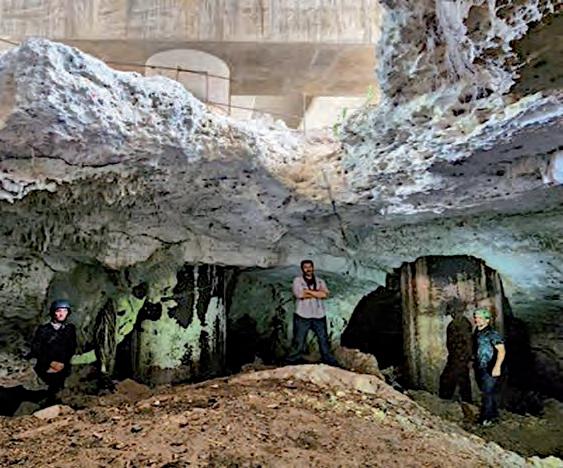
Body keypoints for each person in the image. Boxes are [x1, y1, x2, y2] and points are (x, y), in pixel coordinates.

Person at [287, 260, 339, 367]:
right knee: (299, 340)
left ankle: (328, 360)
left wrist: (308, 291)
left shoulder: (320, 281)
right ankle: (292, 360)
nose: (308, 269)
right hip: (302, 315)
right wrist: (317, 293)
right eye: (305, 267)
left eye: (310, 267)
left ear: (313, 267)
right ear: (302, 269)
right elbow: (299, 295)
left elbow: (325, 295)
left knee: (323, 339)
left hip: (319, 315)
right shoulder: (297, 280)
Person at [30, 299, 77, 404]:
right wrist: (50, 363)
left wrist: (63, 363)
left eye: (65, 311)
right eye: (59, 311)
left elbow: (72, 348)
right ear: (53, 312)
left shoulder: (70, 329)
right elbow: (36, 349)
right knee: (52, 386)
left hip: (63, 365)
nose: (61, 314)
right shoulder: (44, 330)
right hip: (46, 365)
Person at [472, 308, 506, 426]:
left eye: (480, 318)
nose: (477, 320)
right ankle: (493, 414)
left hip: (490, 366)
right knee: (487, 391)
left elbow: (501, 351)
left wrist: (497, 366)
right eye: (476, 317)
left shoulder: (492, 334)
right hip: (480, 366)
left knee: (487, 393)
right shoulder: (477, 332)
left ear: (487, 320)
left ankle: (486, 419)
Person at [439, 299, 473, 403]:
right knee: (461, 382)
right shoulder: (458, 323)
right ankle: (466, 403)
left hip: (459, 358)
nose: (452, 314)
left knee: (448, 380)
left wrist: (468, 358)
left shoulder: (460, 324)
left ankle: (447, 403)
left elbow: (468, 342)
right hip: (457, 358)